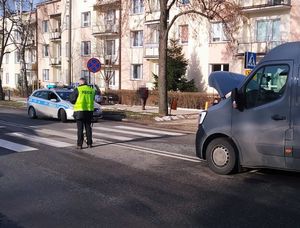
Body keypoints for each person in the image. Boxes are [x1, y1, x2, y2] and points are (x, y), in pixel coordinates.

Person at [70, 78, 95, 149]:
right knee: (88, 128)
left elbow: (72, 100)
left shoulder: (78, 89)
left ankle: (79, 145)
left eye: (79, 83)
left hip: (80, 111)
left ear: (80, 83)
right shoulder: (91, 90)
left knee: (80, 129)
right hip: (89, 111)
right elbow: (93, 100)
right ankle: (89, 144)